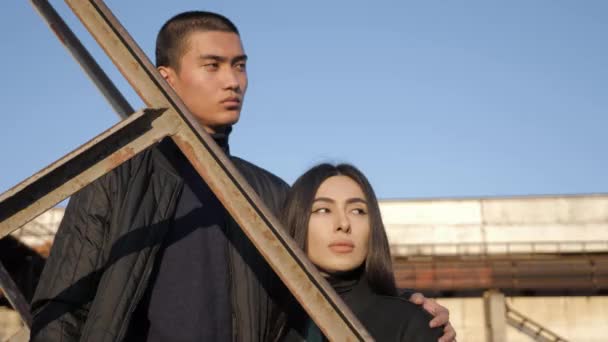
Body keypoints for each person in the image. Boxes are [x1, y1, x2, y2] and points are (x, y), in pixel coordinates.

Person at [30, 11, 454, 342]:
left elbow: (323, 290)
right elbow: (62, 305)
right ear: (166, 79)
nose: (233, 81)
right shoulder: (116, 178)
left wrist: (408, 310)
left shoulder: (269, 193)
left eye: (240, 66)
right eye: (212, 66)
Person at [278, 163, 451, 341]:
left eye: (357, 211)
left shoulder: (413, 322)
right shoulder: (271, 323)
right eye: (323, 210)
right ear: (296, 221)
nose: (344, 224)